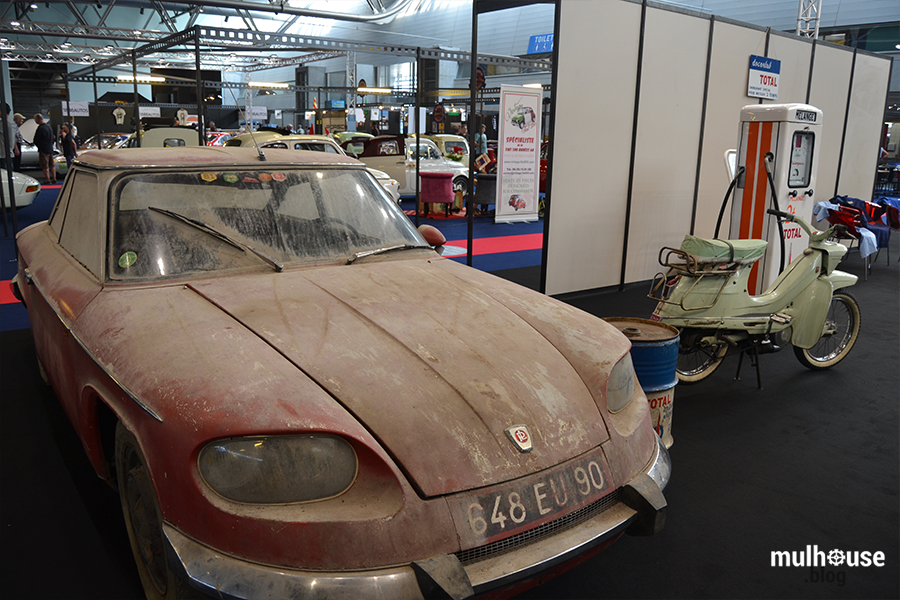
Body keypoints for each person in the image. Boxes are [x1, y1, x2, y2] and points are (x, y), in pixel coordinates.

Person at [33, 113, 56, 184]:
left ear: (37, 119)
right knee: (51, 164)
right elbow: (52, 138)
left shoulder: (40, 128)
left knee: (45, 165)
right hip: (50, 148)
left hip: (43, 149)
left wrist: (39, 146)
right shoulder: (49, 127)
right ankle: (54, 178)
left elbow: (36, 140)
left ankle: (48, 179)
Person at [0, 104, 21, 170]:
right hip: (9, 154)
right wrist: (16, 148)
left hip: (3, 154)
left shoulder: (3, 123)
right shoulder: (12, 123)